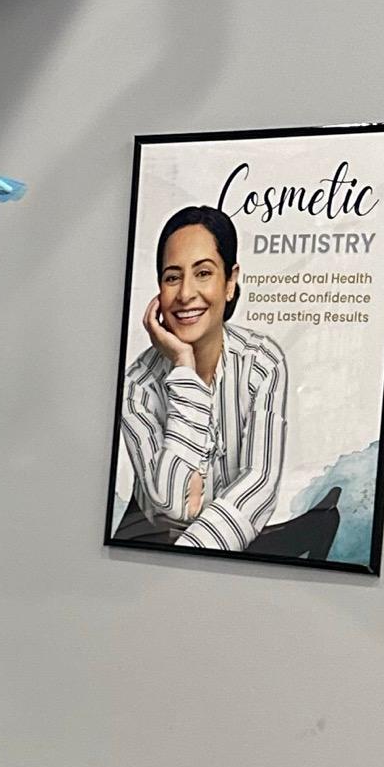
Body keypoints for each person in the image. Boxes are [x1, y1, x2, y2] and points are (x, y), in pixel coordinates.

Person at [112, 203, 334, 558]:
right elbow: (173, 504)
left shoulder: (261, 362)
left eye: (203, 273)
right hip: (150, 547)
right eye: (172, 277)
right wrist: (184, 367)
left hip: (215, 546)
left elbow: (258, 484)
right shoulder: (138, 387)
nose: (186, 293)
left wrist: (195, 556)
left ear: (230, 282)